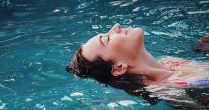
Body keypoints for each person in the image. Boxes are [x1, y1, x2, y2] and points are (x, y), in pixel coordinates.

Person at [66, 23, 209, 86]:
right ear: (118, 68)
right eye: (107, 38)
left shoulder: (170, 61)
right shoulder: (166, 89)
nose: (116, 26)